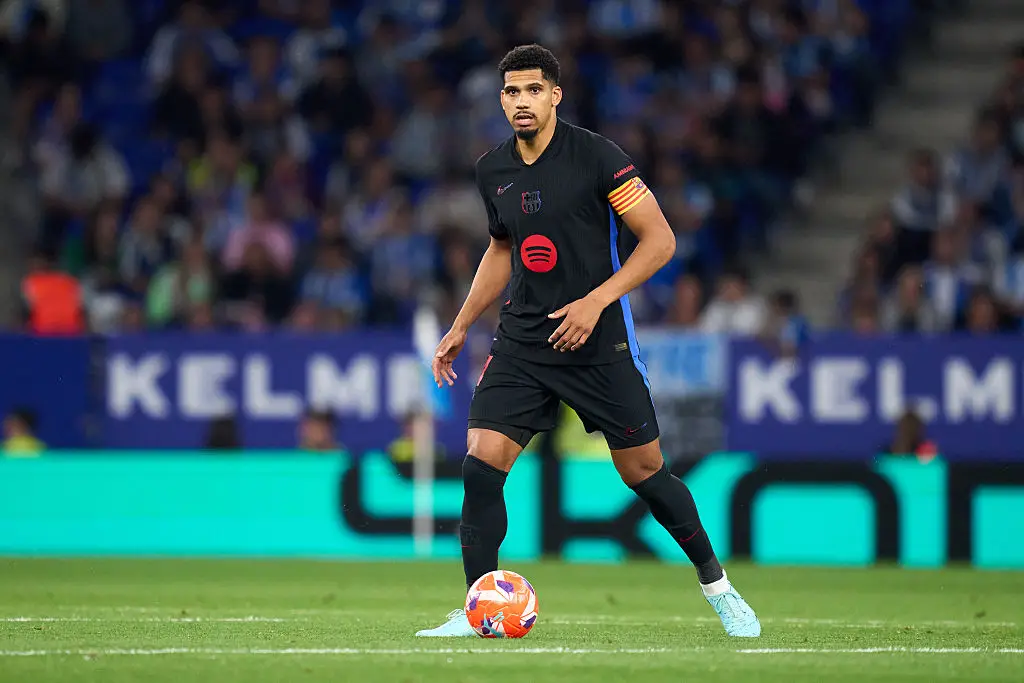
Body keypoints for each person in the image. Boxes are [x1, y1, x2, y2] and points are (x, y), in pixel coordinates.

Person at [416, 44, 760, 638]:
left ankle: (719, 588)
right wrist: (462, 323)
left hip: (597, 340)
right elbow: (502, 249)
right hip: (524, 339)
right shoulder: (492, 170)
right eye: (511, 92)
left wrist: (596, 301)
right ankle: (478, 607)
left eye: (533, 90)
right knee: (480, 463)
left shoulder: (598, 157)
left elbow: (660, 242)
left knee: (645, 472)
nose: (522, 102)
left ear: (555, 95)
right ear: (502, 101)